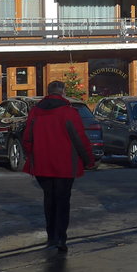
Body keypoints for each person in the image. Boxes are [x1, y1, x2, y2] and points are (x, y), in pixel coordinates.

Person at [23, 80, 95, 254]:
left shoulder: (35, 112)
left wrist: (30, 155)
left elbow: (27, 138)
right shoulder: (69, 112)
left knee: (49, 199)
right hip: (65, 164)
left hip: (42, 163)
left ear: (48, 92)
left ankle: (51, 236)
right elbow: (79, 138)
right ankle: (61, 237)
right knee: (62, 201)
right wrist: (88, 160)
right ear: (62, 92)